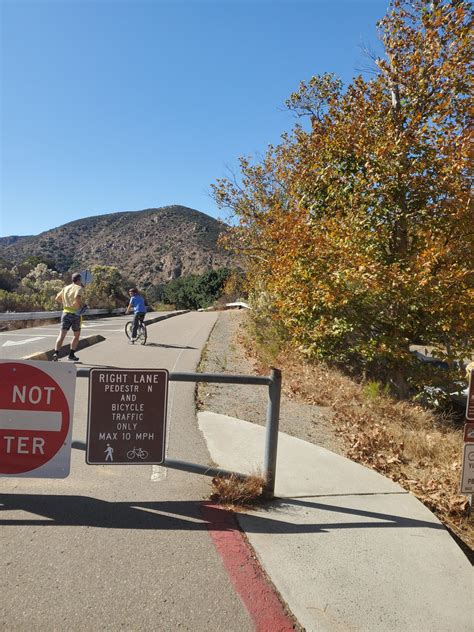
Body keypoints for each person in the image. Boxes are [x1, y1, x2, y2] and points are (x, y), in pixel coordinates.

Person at [52, 272, 85, 361]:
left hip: (65, 313)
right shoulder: (79, 288)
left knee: (62, 335)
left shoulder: (65, 288)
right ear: (79, 280)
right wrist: (82, 306)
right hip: (75, 314)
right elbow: (77, 298)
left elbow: (57, 298)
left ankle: (56, 353)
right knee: (76, 335)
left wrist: (66, 303)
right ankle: (71, 355)